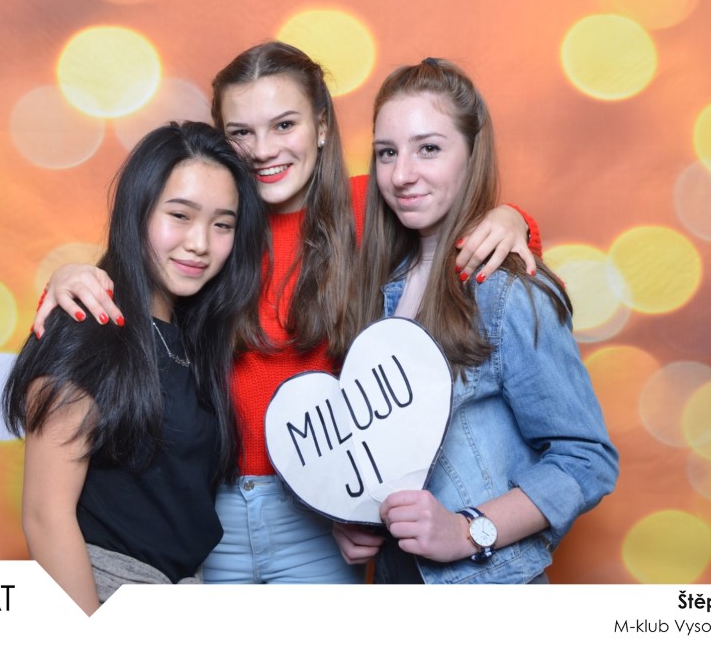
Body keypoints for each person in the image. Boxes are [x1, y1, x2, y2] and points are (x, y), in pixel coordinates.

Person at [33, 41, 543, 584]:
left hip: (320, 509)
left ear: (321, 125)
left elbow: (457, 227)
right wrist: (69, 279)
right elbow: (132, 287)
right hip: (212, 507)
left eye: (284, 125)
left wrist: (513, 219)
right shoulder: (215, 227)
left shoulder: (370, 207)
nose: (263, 150)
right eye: (241, 132)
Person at [332, 58, 618, 583]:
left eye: (429, 149)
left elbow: (587, 459)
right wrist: (354, 518)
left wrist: (468, 530)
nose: (402, 174)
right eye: (387, 153)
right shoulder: (376, 290)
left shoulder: (506, 292)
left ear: (471, 153)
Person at [1, 121, 268, 612]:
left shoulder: (192, 337)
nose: (200, 243)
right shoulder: (89, 324)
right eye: (180, 215)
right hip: (100, 591)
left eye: (222, 224)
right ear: (138, 210)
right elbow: (45, 517)